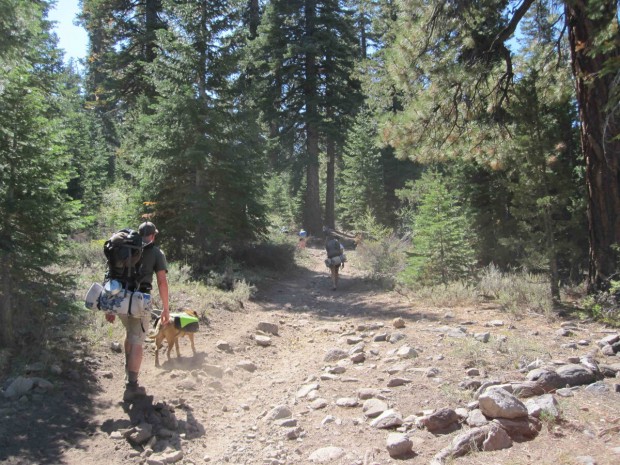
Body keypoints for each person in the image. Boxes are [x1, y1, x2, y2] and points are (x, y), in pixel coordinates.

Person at [105, 221, 170, 401]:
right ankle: (132, 387)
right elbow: (162, 282)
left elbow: (111, 274)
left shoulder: (124, 248)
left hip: (119, 299)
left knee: (130, 333)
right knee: (138, 340)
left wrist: (109, 307)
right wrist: (166, 308)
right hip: (139, 301)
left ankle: (128, 372)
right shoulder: (156, 253)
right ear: (153, 235)